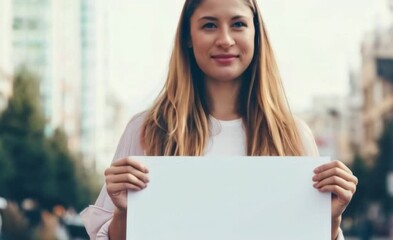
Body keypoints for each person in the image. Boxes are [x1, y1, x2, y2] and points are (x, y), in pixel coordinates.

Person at [80, 0, 358, 239]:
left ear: (256, 34)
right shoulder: (147, 130)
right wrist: (124, 212)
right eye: (209, 25)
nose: (225, 39)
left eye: (238, 24)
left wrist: (331, 219)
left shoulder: (292, 135)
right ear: (188, 36)